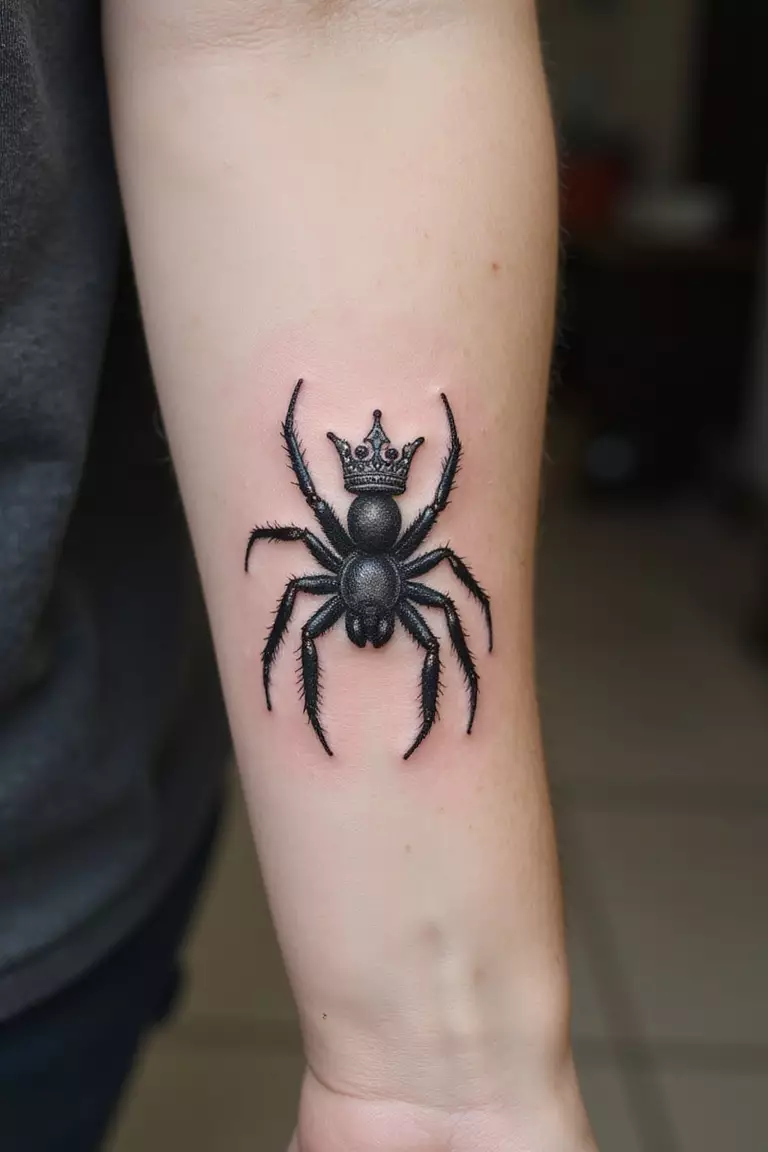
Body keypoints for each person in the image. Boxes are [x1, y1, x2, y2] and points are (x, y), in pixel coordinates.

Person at [0, 1, 597, 1149]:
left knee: (394, 618)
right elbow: (360, 568)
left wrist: (436, 1061)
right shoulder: (364, 541)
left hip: (50, 836)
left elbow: (328, 30)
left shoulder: (370, 541)